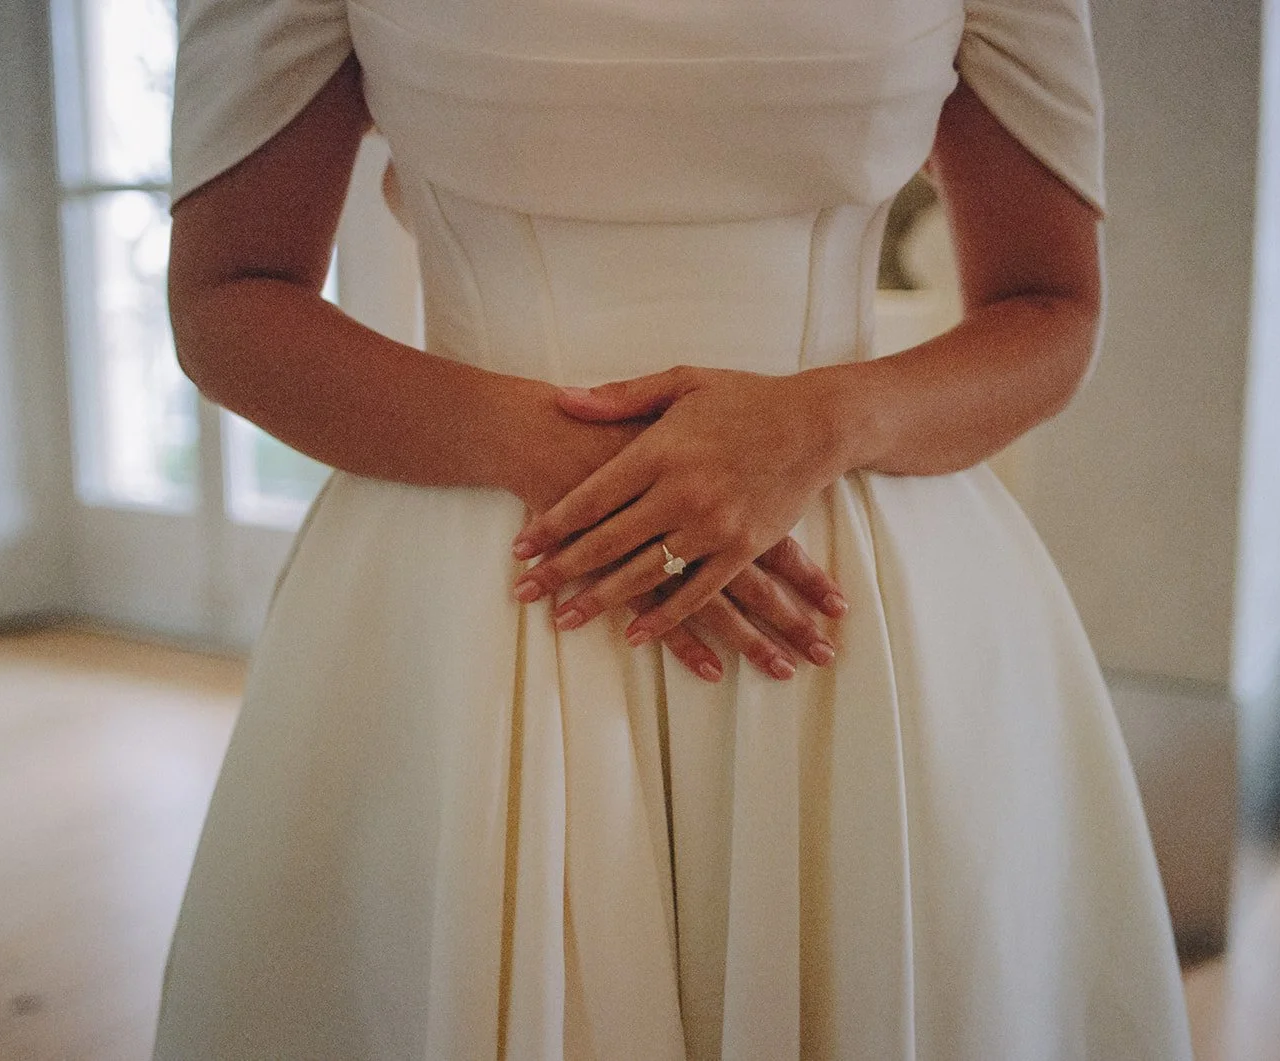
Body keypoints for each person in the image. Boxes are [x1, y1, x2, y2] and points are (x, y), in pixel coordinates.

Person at [153, 0, 1194, 1057]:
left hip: (845, 595)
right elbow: (228, 296)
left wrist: (820, 423)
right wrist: (572, 462)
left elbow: (1050, 308)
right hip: (484, 576)